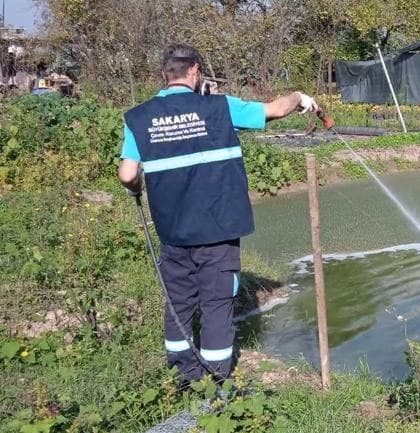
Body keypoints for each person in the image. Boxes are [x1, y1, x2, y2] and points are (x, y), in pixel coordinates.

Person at [118, 44, 320, 383]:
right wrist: (300, 97)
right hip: (217, 228)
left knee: (178, 300)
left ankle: (183, 376)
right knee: (216, 301)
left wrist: (138, 187)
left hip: (173, 231)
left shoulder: (139, 117)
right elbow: (273, 110)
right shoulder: (221, 108)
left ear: (164, 75)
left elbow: (126, 174)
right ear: (195, 71)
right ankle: (217, 379)